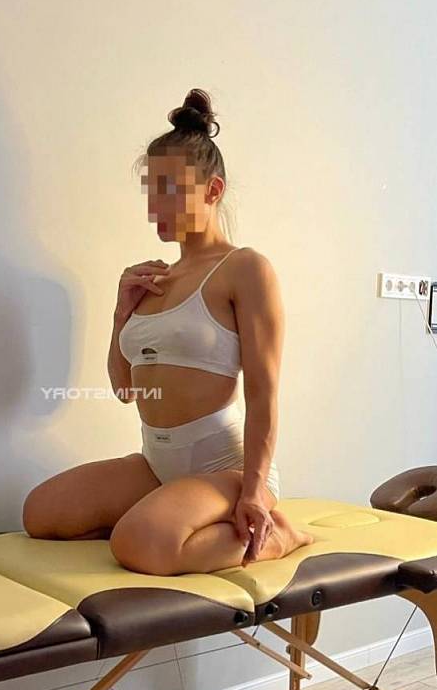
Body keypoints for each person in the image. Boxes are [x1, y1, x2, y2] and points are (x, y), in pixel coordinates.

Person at [22, 87, 313, 574]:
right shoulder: (154, 279)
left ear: (213, 191)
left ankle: (281, 534)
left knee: (137, 544)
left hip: (227, 469)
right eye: (151, 192)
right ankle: (171, 516)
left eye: (170, 190)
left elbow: (263, 394)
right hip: (158, 465)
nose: (156, 205)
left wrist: (253, 489)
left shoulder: (245, 269)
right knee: (41, 513)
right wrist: (120, 314)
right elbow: (124, 388)